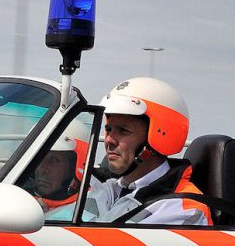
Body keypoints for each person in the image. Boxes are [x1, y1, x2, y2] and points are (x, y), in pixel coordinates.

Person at [89, 77, 212, 226]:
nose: (109, 140)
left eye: (123, 131)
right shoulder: (105, 187)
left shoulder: (183, 209)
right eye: (109, 129)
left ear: (160, 135)